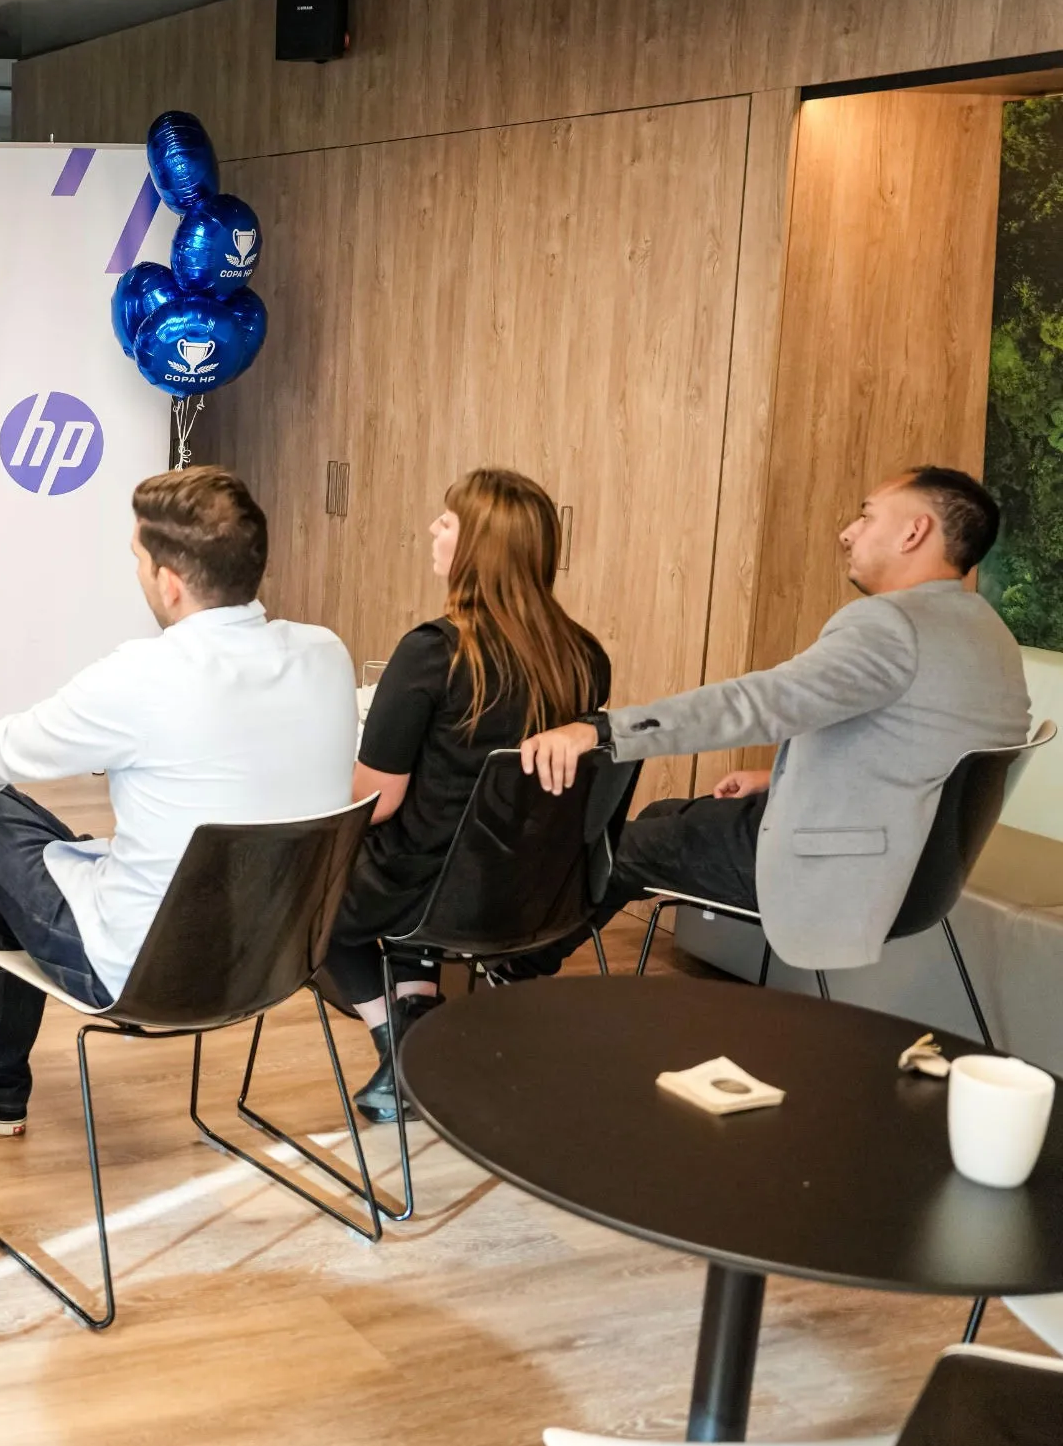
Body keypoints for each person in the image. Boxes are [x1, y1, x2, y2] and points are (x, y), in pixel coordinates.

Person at [0, 467, 356, 1135]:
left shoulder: (146, 675)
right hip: (278, 961)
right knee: (26, 861)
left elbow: (13, 748)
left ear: (168, 582)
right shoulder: (327, 654)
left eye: (138, 560)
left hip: (140, 971)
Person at [520, 466, 1032, 970]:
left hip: (840, 875)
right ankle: (521, 965)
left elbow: (757, 703)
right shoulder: (987, 633)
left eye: (867, 516)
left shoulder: (892, 626)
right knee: (661, 816)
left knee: (611, 848)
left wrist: (604, 730)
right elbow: (925, 753)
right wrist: (779, 777)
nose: (847, 533)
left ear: (914, 532)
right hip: (919, 873)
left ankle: (516, 972)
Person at [329, 470, 611, 1122]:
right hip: (533, 892)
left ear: (480, 546)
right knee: (415, 855)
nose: (433, 527)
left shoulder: (433, 653)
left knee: (305, 892)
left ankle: (403, 1044)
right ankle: (421, 1024)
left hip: (429, 891)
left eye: (448, 520)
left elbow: (375, 803)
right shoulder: (585, 657)